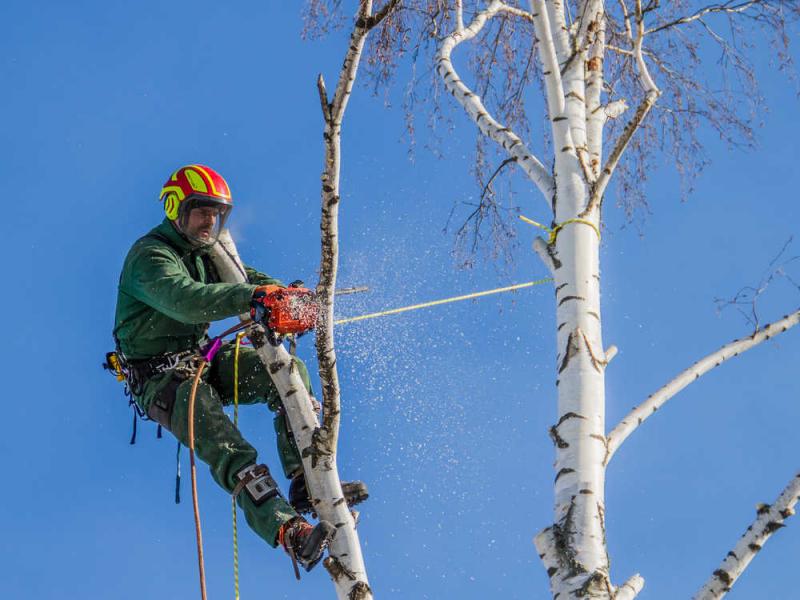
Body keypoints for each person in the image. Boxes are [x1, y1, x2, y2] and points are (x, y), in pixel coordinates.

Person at [112, 164, 366, 573]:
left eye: (218, 214)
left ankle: (305, 476)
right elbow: (187, 298)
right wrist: (254, 298)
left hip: (203, 360)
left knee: (288, 374)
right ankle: (290, 532)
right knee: (230, 449)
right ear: (177, 208)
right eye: (202, 211)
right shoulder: (151, 256)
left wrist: (289, 297)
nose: (210, 221)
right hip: (163, 381)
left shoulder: (206, 251)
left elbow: (246, 278)